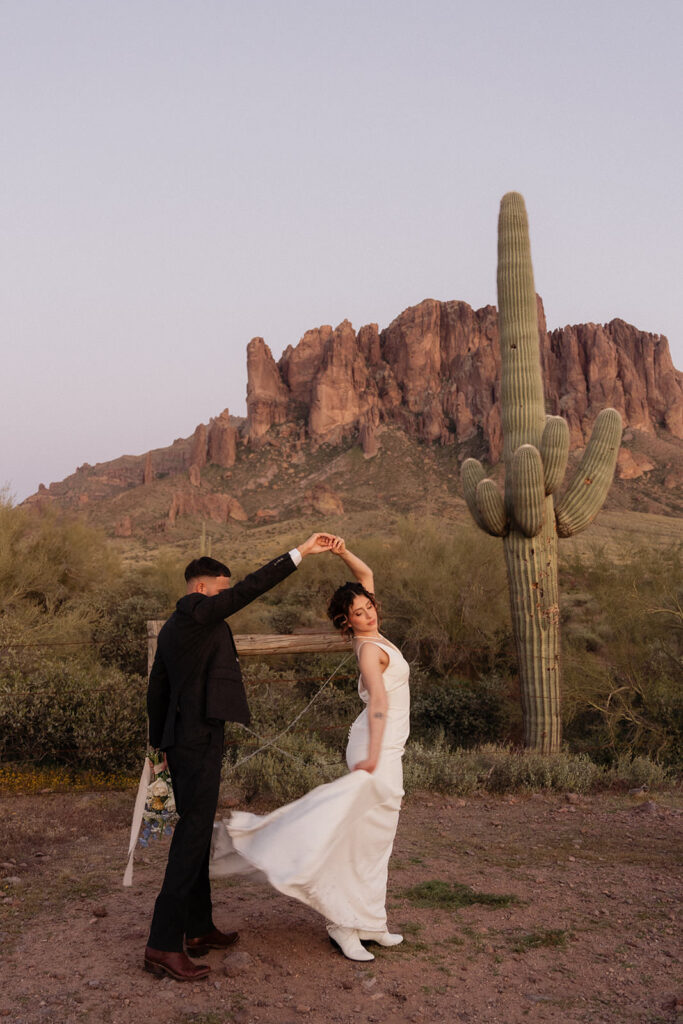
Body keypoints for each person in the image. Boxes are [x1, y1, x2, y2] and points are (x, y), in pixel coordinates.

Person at [144, 533, 334, 982]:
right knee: (190, 837)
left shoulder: (178, 626)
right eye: (222, 589)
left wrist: (159, 747)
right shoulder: (194, 612)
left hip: (183, 740)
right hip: (196, 740)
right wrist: (300, 552)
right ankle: (161, 944)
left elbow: (157, 687)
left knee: (196, 829)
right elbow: (251, 588)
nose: (227, 596)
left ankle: (198, 928)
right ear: (201, 588)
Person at [210, 539, 410, 962]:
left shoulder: (375, 631)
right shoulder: (370, 649)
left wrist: (341, 552)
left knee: (378, 840)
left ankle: (371, 921)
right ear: (347, 623)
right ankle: (341, 925)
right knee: (357, 837)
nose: (369, 611)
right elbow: (378, 703)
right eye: (358, 612)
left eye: (368, 606)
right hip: (374, 746)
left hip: (389, 746)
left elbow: (367, 576)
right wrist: (372, 756)